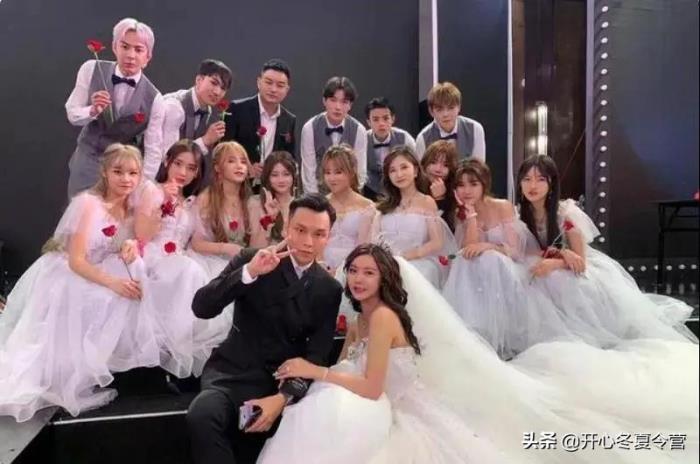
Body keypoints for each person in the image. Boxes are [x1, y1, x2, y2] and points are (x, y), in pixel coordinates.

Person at [257, 244, 505, 463]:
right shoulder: (358, 321)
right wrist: (296, 381)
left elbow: (373, 388)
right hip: (369, 403)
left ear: (384, 278)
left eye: (369, 273)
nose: (358, 279)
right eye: (353, 270)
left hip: (394, 408)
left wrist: (314, 371)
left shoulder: (383, 317)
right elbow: (341, 369)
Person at [0, 144, 160, 422]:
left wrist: (131, 245)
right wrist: (112, 282)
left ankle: (125, 369)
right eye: (118, 172)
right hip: (69, 274)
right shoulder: (88, 204)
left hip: (96, 269)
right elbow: (76, 261)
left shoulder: (131, 208)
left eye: (133, 173)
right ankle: (74, 370)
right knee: (111, 294)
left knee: (136, 281)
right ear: (105, 172)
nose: (126, 179)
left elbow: (132, 241)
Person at [186, 194, 343, 464]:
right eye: (300, 230)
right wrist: (250, 272)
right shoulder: (252, 259)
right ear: (287, 228)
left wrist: (282, 398)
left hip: (280, 384)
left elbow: (317, 355)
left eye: (319, 234)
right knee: (202, 415)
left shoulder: (328, 289)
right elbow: (202, 307)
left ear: (328, 237)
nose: (308, 242)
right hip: (232, 374)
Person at [517, 155, 698, 346]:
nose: (532, 186)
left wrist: (557, 260)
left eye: (540, 179)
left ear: (552, 183)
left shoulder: (566, 213)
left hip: (571, 269)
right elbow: (520, 252)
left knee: (561, 280)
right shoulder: (516, 215)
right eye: (526, 179)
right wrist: (558, 253)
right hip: (540, 267)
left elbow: (580, 262)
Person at [442, 159, 572, 359]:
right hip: (484, 273)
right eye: (460, 185)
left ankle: (500, 333)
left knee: (491, 257)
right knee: (464, 260)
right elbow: (468, 249)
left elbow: (515, 251)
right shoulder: (462, 214)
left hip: (511, 266)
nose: (466, 190)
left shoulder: (503, 207)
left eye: (473, 184)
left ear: (484, 184)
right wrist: (471, 217)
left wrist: (488, 246)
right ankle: (473, 328)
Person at [134, 140, 231, 377]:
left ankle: (179, 354)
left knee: (207, 273)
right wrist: (162, 205)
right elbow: (142, 235)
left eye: (191, 168)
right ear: (167, 162)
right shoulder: (152, 190)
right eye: (178, 164)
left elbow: (193, 240)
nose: (183, 172)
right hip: (153, 257)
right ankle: (166, 357)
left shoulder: (191, 201)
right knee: (188, 271)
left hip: (179, 256)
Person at [65, 18, 161, 197]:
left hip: (122, 171)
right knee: (81, 212)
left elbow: (153, 150)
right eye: (125, 47)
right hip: (87, 161)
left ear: (147, 57)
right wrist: (92, 110)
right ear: (114, 47)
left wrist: (141, 187)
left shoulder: (156, 99)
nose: (131, 55)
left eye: (138, 49)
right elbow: (72, 113)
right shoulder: (90, 69)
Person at [372, 146, 456, 287]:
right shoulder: (382, 207)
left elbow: (437, 242)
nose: (399, 174)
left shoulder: (427, 202)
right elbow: (373, 241)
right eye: (392, 170)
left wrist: (407, 256)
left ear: (416, 170)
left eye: (404, 167)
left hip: (417, 261)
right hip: (386, 262)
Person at [142, 59, 233, 180]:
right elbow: (168, 156)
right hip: (152, 177)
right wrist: (205, 141)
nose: (217, 92)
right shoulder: (174, 106)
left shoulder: (208, 111)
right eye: (214, 83)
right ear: (199, 80)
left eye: (223, 88)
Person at [187, 142, 254, 280]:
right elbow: (197, 243)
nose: (239, 166)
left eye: (243, 162)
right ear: (217, 167)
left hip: (240, 262)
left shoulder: (250, 201)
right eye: (231, 161)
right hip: (209, 260)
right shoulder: (207, 199)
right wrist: (226, 248)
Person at [224, 59, 296, 187]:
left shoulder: (289, 119)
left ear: (287, 90)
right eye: (268, 82)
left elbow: (289, 158)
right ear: (259, 82)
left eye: (280, 85)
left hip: (271, 188)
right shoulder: (237, 109)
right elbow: (224, 148)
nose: (273, 89)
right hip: (239, 184)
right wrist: (247, 167)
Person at [300, 76, 367, 194]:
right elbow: (308, 173)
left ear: (350, 105)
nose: (338, 107)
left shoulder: (359, 130)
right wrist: (316, 202)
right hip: (318, 195)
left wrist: (350, 198)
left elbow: (360, 172)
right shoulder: (309, 128)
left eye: (344, 102)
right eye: (333, 100)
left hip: (348, 195)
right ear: (324, 101)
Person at [415, 82, 485, 161]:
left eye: (451, 108)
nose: (445, 114)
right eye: (439, 109)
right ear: (431, 111)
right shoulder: (423, 139)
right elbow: (423, 168)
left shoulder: (475, 129)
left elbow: (478, 166)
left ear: (459, 107)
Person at [363, 97, 416, 200]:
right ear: (369, 122)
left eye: (386, 118)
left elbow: (415, 165)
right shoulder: (363, 139)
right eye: (375, 119)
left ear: (393, 119)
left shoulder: (405, 138)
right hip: (370, 190)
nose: (381, 123)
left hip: (400, 187)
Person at [249, 151, 299, 247]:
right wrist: (269, 218)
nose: (281, 180)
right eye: (274, 175)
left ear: (293, 176)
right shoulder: (256, 204)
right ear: (267, 177)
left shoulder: (301, 205)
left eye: (286, 174)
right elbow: (255, 248)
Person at [420, 140, 459, 231]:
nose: (438, 169)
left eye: (445, 165)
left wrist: (440, 200)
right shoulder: (414, 187)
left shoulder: (455, 193)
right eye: (433, 162)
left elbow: (447, 231)